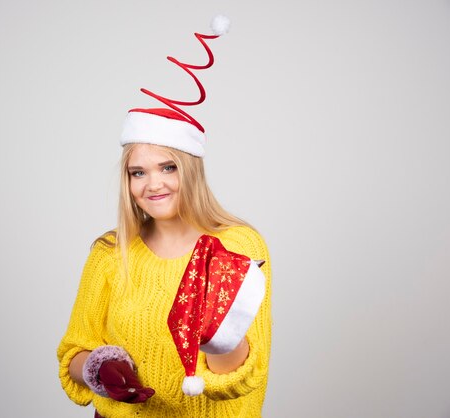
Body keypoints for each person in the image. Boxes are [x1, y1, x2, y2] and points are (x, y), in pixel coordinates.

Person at [57, 16, 272, 418]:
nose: (153, 184)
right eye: (138, 172)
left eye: (167, 167)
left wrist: (221, 330)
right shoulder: (110, 251)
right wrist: (97, 367)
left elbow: (245, 380)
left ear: (189, 170)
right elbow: (74, 349)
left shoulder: (239, 245)